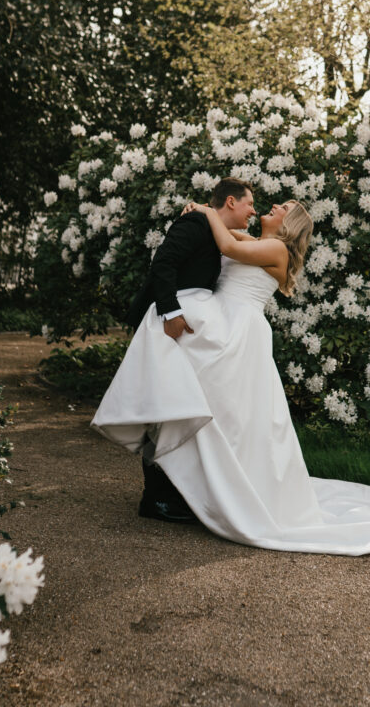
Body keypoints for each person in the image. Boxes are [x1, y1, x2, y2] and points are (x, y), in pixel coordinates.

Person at [91, 192, 370, 555]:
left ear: (289, 224)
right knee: (199, 402)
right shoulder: (259, 242)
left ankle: (189, 490)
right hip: (221, 321)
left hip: (238, 331)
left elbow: (226, 243)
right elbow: (226, 235)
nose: (272, 207)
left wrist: (205, 210)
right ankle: (176, 488)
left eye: (281, 209)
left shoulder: (277, 251)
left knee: (224, 415)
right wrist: (206, 216)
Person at [117, 177, 256, 523]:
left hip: (186, 331)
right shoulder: (194, 223)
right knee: (164, 408)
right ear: (230, 202)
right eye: (249, 203)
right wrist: (172, 313)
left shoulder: (213, 227)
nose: (253, 210)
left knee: (176, 407)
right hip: (165, 325)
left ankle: (171, 493)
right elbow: (163, 263)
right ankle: (156, 500)